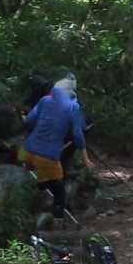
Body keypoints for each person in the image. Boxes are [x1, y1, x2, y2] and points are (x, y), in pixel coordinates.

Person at [21, 72, 87, 219]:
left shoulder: (45, 100)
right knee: (58, 186)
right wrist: (85, 156)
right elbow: (78, 133)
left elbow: (29, 121)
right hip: (50, 152)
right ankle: (58, 217)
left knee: (46, 174)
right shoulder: (70, 105)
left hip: (29, 149)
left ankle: (43, 189)